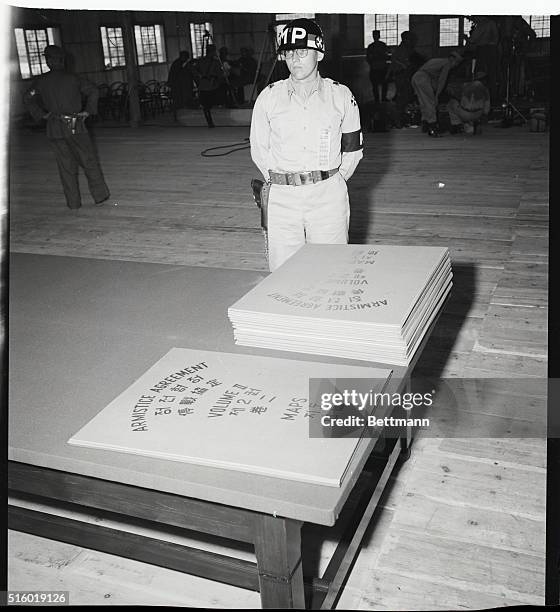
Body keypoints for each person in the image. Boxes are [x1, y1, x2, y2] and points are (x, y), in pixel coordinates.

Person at [250, 18, 363, 272]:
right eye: (289, 53)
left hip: (327, 197)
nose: (294, 59)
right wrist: (281, 181)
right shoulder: (268, 97)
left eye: (302, 51)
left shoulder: (341, 96)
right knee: (283, 273)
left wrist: (330, 181)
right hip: (283, 199)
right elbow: (259, 149)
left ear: (319, 53)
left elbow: (353, 151)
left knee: (332, 270)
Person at [23, 45, 110, 210]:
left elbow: (28, 97)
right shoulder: (74, 79)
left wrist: (42, 114)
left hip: (54, 127)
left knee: (65, 167)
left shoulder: (40, 82)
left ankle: (73, 202)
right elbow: (93, 91)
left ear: (48, 61)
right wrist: (88, 111)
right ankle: (100, 196)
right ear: (63, 60)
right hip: (74, 124)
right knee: (88, 161)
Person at [411, 50, 464, 137]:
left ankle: (425, 125)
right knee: (430, 103)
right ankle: (433, 128)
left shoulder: (437, 61)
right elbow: (441, 81)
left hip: (416, 77)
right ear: (452, 60)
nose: (455, 66)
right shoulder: (447, 63)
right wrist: (437, 96)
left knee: (423, 103)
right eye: (456, 63)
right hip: (423, 79)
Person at [463, 16, 499, 105]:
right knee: (488, 74)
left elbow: (473, 39)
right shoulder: (487, 24)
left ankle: (488, 98)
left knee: (484, 74)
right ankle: (487, 97)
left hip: (486, 51)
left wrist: (467, 39)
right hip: (488, 51)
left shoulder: (486, 24)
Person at [193, 44, 223, 128]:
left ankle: (210, 122)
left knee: (206, 106)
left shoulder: (200, 61)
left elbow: (194, 70)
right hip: (212, 86)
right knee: (209, 104)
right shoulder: (216, 62)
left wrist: (199, 78)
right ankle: (210, 122)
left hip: (203, 86)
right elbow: (220, 74)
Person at [167, 50, 196, 118]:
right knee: (178, 102)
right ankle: (177, 116)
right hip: (178, 87)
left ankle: (184, 115)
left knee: (184, 101)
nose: (186, 59)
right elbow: (176, 75)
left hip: (183, 87)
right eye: (186, 57)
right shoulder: (177, 64)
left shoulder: (183, 64)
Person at [366, 30, 390, 104]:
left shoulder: (371, 46)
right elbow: (387, 56)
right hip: (380, 67)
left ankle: (378, 99)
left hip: (376, 67)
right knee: (382, 84)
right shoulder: (382, 45)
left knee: (376, 85)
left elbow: (368, 58)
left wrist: (373, 62)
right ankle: (382, 98)